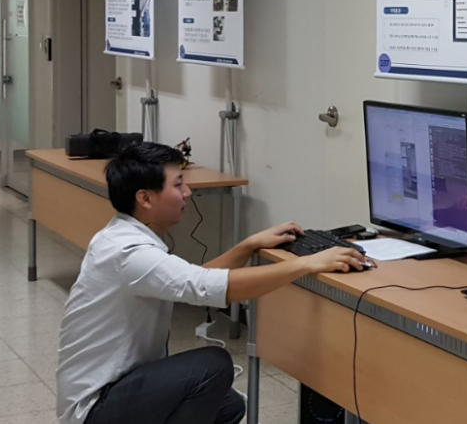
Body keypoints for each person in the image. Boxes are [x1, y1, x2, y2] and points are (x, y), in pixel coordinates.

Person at [56, 142, 366, 424]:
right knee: (212, 366)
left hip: (118, 386)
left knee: (227, 405)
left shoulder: (122, 237)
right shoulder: (129, 253)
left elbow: (193, 280)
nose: (188, 192)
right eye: (178, 184)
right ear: (145, 198)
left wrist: (247, 246)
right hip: (95, 407)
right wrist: (307, 263)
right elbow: (206, 286)